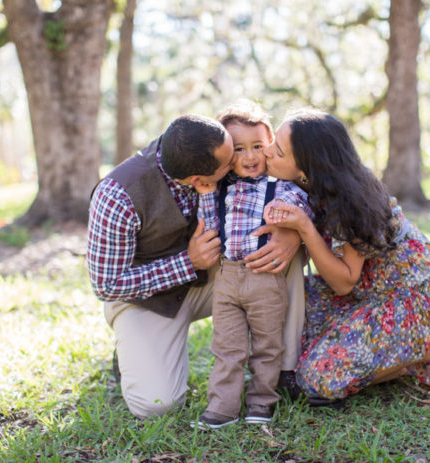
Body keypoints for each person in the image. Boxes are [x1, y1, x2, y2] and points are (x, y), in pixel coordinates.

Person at [86, 114, 306, 419]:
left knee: (278, 254)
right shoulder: (117, 196)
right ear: (200, 181)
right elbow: (106, 285)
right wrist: (187, 263)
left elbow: (282, 157)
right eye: (230, 162)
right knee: (156, 405)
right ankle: (134, 350)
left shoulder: (205, 141)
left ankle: (286, 372)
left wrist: (294, 232)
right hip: (149, 301)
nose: (240, 162)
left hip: (221, 274)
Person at [256, 108, 430, 403]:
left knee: (315, 378)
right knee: (280, 307)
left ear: (307, 168)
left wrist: (305, 228)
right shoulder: (308, 183)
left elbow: (344, 282)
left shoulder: (350, 200)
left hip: (409, 298)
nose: (267, 152)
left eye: (279, 151)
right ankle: (394, 352)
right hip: (366, 291)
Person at [191, 101, 312, 429]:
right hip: (227, 278)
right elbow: (210, 226)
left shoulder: (282, 186)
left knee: (267, 345)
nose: (249, 157)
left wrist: (286, 219)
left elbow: (303, 208)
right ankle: (223, 407)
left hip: (265, 279)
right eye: (239, 149)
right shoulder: (221, 188)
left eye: (258, 146)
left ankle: (261, 402)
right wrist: (205, 195)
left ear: (271, 144)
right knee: (226, 347)